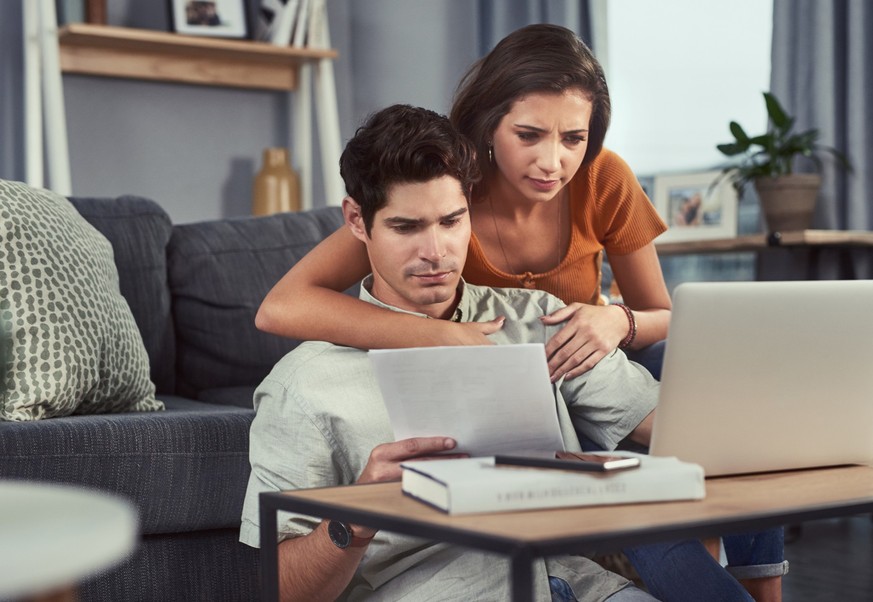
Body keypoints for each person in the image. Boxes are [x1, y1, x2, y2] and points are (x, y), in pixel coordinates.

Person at [240, 105, 787, 602]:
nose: (436, 253)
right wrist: (353, 519)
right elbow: (278, 590)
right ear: (358, 221)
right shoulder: (304, 384)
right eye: (406, 227)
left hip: (580, 583)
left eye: (452, 222)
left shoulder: (535, 320)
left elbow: (671, 427)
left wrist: (776, 422)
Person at [254, 23, 670, 383]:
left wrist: (618, 320)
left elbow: (662, 314)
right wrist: (439, 335)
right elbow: (281, 307)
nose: (551, 163)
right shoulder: (446, 186)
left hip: (589, 364)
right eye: (528, 135)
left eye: (573, 139)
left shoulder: (605, 177)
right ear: (489, 126)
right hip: (479, 372)